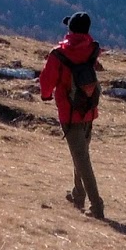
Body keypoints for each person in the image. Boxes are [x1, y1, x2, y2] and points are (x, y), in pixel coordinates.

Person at [39, 11, 104, 219]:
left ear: (70, 29)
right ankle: (78, 194)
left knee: (82, 159)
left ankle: (96, 205)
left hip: (69, 113)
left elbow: (47, 81)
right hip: (89, 109)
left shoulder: (59, 54)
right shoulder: (93, 49)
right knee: (81, 153)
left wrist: (46, 95)